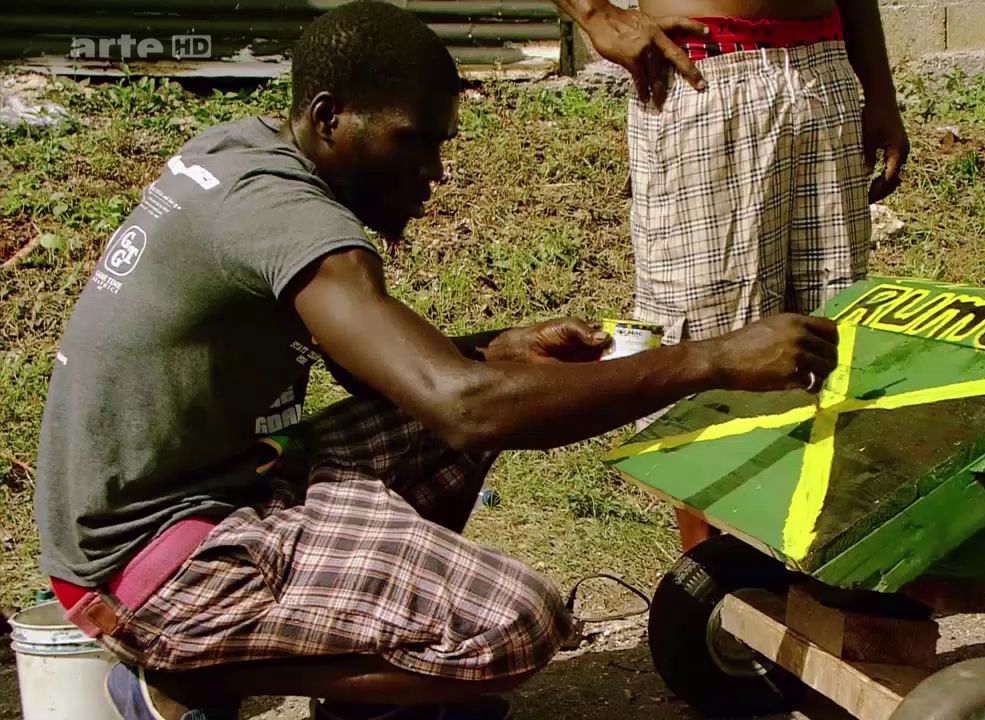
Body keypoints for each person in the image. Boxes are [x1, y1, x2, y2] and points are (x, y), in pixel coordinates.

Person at [31, 3, 840, 720]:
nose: (433, 174)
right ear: (329, 116)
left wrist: (494, 350)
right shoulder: (288, 223)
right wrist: (713, 360)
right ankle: (184, 679)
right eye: (414, 141)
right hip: (153, 565)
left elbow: (400, 376)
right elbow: (469, 406)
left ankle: (381, 701)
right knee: (517, 624)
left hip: (206, 494)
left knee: (479, 404)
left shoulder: (245, 153)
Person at [557, 0, 908, 380]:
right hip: (705, 76)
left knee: (832, 336)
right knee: (709, 355)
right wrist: (594, 13)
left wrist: (879, 91)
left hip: (824, 74)